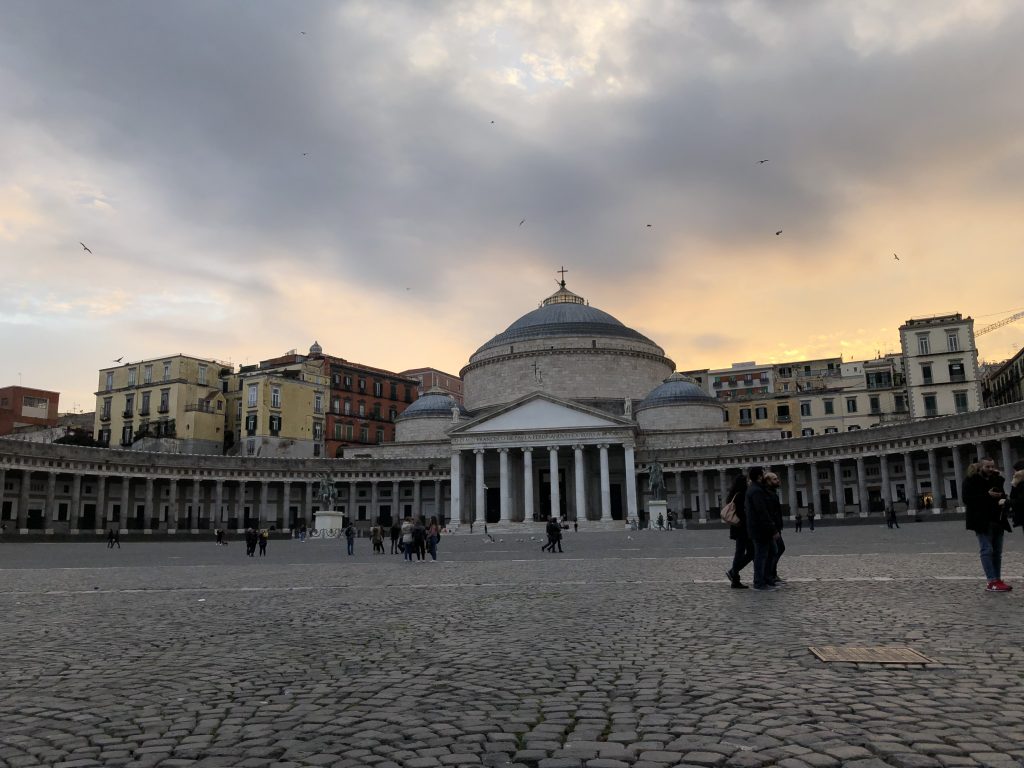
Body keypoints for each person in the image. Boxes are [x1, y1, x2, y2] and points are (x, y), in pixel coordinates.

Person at [963, 457, 1011, 592]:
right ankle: (991, 581)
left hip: (998, 519)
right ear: (980, 467)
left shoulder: (996, 479)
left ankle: (997, 578)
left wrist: (1002, 496)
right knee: (986, 550)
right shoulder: (970, 481)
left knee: (997, 552)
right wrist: (987, 495)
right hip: (981, 521)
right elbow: (967, 499)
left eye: (992, 466)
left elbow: (1002, 496)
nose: (990, 469)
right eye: (987, 467)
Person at [744, 467, 777, 591]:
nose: (764, 476)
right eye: (763, 474)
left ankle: (767, 579)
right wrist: (773, 529)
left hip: (759, 528)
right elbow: (762, 512)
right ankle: (759, 583)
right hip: (760, 529)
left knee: (772, 551)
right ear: (759, 476)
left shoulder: (755, 489)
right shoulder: (756, 491)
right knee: (761, 556)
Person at [725, 472, 753, 589]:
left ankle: (734, 576)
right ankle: (733, 573)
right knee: (749, 552)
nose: (748, 483)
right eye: (746, 481)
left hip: (737, 527)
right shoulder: (742, 495)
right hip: (743, 528)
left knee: (741, 552)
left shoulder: (734, 494)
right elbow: (743, 513)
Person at [763, 472, 785, 584]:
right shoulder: (768, 494)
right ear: (768, 481)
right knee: (778, 549)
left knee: (777, 549)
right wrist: (774, 529)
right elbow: (770, 513)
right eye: (775, 479)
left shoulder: (772, 493)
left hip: (775, 527)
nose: (778, 481)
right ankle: (769, 574)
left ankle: (772, 574)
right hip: (773, 528)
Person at [1009, 460, 1024, 531]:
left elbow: (1019, 501)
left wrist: (1006, 502)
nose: (1014, 473)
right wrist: (1014, 484)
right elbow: (1012, 496)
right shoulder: (1019, 483)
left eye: (1016, 471)